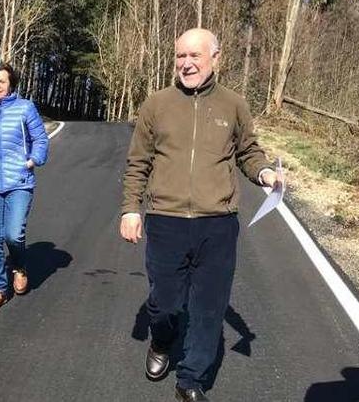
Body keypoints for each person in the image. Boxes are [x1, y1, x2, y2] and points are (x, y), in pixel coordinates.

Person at [120, 28, 283, 402]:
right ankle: (161, 340)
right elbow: (138, 163)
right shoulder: (156, 104)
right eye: (180, 56)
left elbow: (248, 152)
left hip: (218, 223)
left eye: (195, 56)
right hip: (166, 220)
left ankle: (190, 381)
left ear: (215, 58)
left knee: (209, 308)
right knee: (165, 304)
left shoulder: (234, 104)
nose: (187, 63)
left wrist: (264, 174)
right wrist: (131, 208)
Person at [0, 62, 49, 312]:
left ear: (10, 83)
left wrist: (33, 160)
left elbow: (40, 138)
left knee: (13, 234)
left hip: (19, 181)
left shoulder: (25, 108)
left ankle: (20, 266)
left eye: (2, 81)